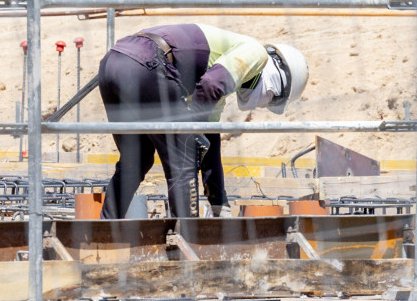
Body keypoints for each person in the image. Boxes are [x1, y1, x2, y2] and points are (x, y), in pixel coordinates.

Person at [97, 23, 308, 219]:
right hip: (147, 64)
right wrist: (191, 135)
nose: (264, 105)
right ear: (279, 80)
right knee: (184, 160)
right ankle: (187, 239)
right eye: (273, 100)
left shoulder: (219, 77)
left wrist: (219, 202)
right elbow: (210, 85)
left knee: (137, 159)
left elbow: (210, 140)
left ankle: (105, 233)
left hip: (114, 64)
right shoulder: (255, 52)